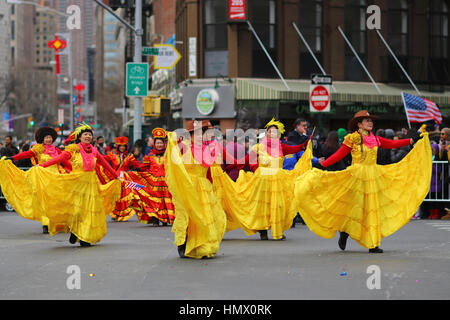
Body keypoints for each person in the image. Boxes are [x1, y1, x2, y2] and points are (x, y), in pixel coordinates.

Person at [294, 110, 432, 253]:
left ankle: (373, 243)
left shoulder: (376, 139)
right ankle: (345, 231)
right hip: (357, 177)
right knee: (353, 207)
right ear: (359, 124)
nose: (370, 122)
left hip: (374, 176)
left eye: (371, 120)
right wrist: (321, 165)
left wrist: (411, 140)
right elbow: (339, 154)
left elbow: (392, 143)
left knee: (372, 210)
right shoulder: (353, 138)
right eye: (366, 120)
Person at [211, 118, 312, 241]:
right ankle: (263, 231)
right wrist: (230, 166)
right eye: (270, 131)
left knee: (278, 205)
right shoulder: (259, 147)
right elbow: (245, 161)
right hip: (262, 181)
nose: (272, 134)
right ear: (267, 133)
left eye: (275, 132)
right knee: (262, 207)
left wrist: (303, 145)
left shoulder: (282, 147)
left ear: (278, 134)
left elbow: (295, 148)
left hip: (278, 181)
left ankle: (277, 231)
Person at [35, 123, 121, 246]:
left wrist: (116, 175)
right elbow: (58, 159)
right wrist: (42, 165)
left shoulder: (94, 151)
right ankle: (75, 231)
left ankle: (85, 237)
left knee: (89, 211)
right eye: (85, 134)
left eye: (90, 135)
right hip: (76, 184)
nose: (88, 136)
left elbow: (105, 165)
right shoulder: (73, 150)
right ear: (79, 137)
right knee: (77, 211)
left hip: (91, 184)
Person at [164, 120, 228, 259]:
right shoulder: (184, 147)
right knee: (187, 216)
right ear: (190, 136)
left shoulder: (207, 149)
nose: (199, 136)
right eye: (196, 134)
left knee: (206, 216)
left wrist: (211, 185)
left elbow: (209, 170)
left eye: (201, 134)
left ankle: (203, 244)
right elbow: (172, 152)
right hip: (188, 187)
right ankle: (183, 245)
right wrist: (171, 138)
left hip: (204, 188)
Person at [0, 127, 71, 234]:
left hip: (56, 177)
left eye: (50, 137)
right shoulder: (38, 149)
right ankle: (46, 223)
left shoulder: (57, 150)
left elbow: (65, 160)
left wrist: (73, 170)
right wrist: (13, 158)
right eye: (46, 137)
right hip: (43, 178)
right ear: (42, 139)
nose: (48, 139)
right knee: (44, 201)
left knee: (59, 200)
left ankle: (60, 221)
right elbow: (26, 154)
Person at [131, 128, 175, 226]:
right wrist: (135, 171)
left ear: (164, 144)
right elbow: (143, 167)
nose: (159, 145)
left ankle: (165, 220)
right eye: (157, 143)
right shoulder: (149, 156)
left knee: (166, 201)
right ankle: (155, 219)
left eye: (161, 143)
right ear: (154, 144)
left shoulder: (169, 155)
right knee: (155, 202)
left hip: (167, 183)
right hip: (153, 184)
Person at [102, 136, 141, 222]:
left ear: (126, 147)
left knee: (125, 196)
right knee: (116, 196)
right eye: (120, 146)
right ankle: (115, 213)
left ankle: (124, 213)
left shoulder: (129, 156)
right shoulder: (112, 155)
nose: (122, 147)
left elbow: (137, 165)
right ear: (118, 147)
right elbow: (103, 160)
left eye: (124, 146)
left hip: (125, 179)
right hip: (115, 178)